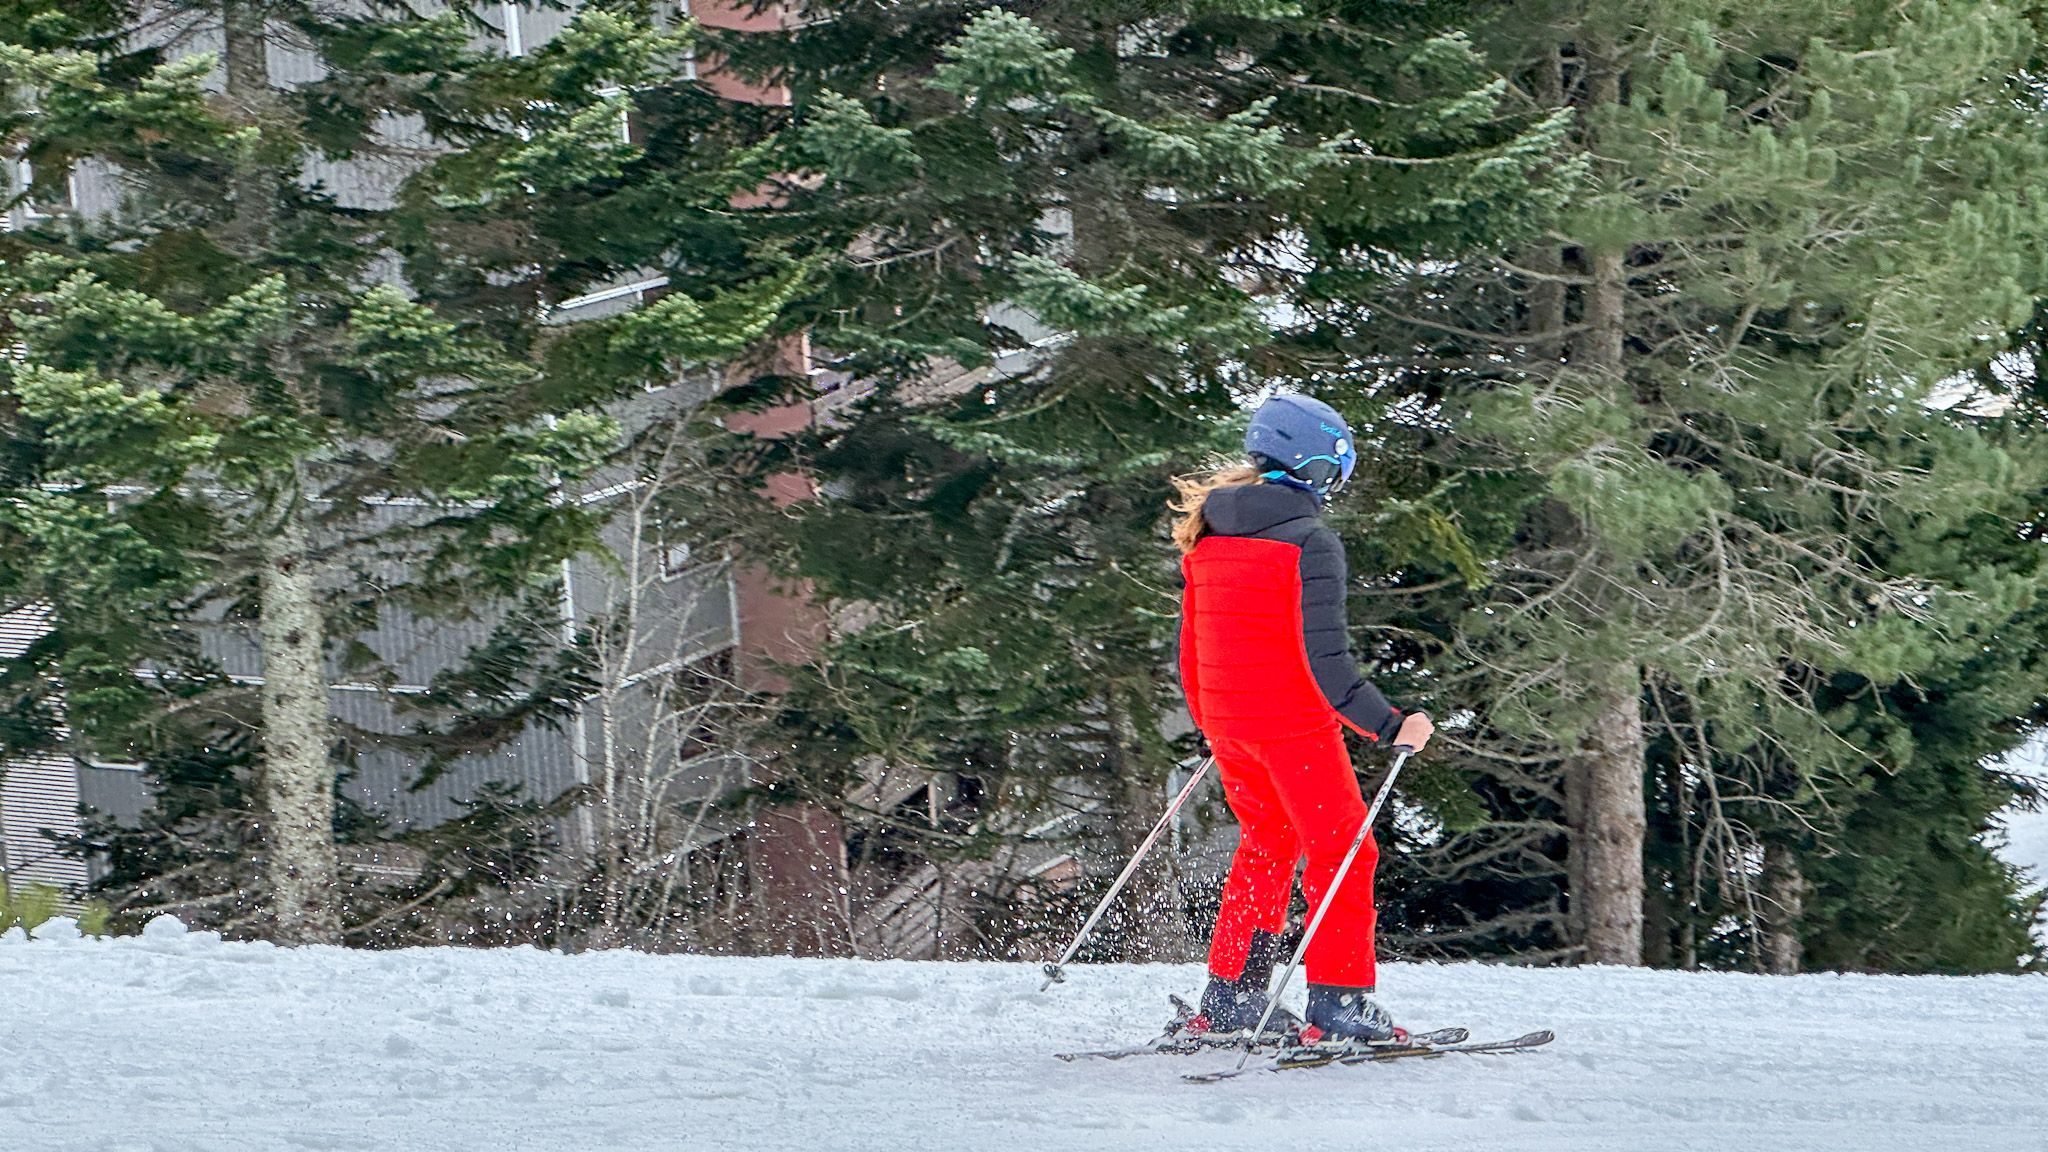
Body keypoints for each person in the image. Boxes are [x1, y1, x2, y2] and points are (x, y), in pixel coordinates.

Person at [1172, 392, 1434, 1045]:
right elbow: (1329, 664)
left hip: (1230, 726)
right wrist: (1390, 723)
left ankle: (1231, 996)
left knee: (1268, 844)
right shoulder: (1309, 541)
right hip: (1293, 728)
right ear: (1316, 464)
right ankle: (1340, 1000)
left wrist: (1214, 723)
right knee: (1345, 852)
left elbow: (1191, 648)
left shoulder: (1210, 535)